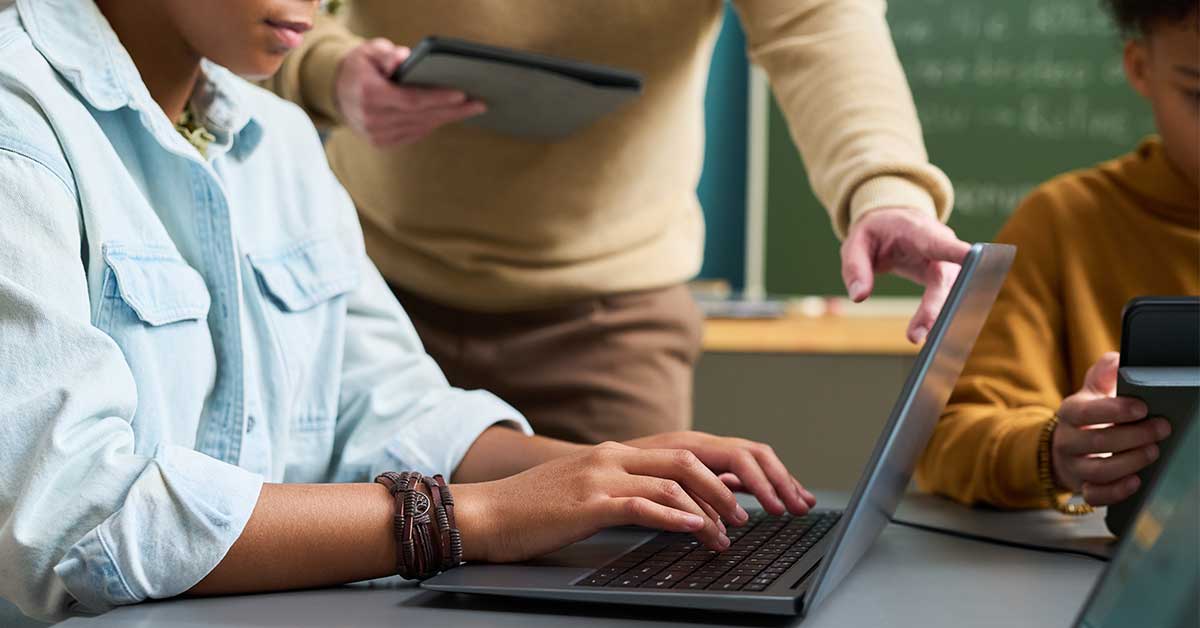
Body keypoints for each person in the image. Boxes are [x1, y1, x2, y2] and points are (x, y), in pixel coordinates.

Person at [0, 0, 818, 621]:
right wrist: (483, 515)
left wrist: (600, 475)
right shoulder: (18, 126)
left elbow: (384, 408)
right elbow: (74, 519)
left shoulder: (280, 139)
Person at [269, 0, 971, 444]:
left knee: (620, 576)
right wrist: (328, 71)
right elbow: (245, 17)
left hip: (609, 329)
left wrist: (884, 190)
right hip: (364, 298)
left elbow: (819, 26)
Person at [916, 0, 1199, 512]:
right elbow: (948, 439)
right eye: (1199, 95)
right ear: (1141, 67)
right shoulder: (1062, 220)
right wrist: (1054, 451)